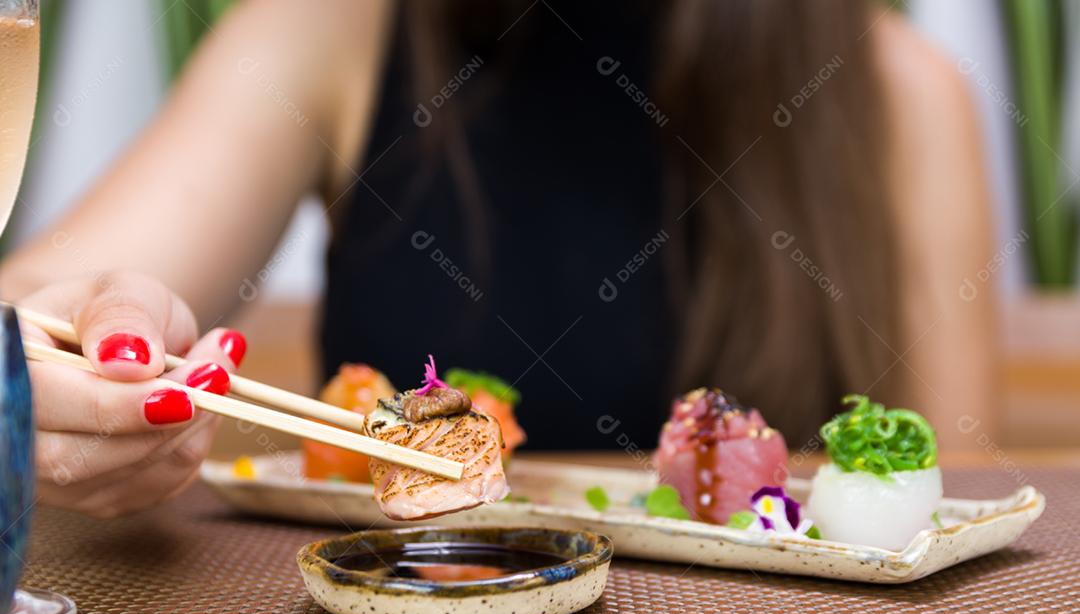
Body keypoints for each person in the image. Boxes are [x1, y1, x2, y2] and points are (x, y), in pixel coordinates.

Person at [0, 0, 997, 517]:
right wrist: (67, 366)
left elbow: (958, 520)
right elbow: (36, 310)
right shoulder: (331, 29)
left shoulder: (898, 95)